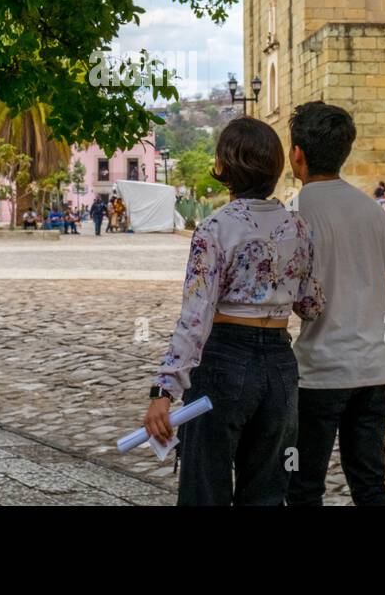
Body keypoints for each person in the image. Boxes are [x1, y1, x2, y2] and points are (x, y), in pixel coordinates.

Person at [143, 117, 323, 506]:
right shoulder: (298, 227)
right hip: (279, 363)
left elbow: (196, 316)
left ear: (223, 167)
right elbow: (310, 305)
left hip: (223, 360)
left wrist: (164, 389)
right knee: (266, 494)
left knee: (204, 490)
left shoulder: (214, 228)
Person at [284, 102, 385, 507]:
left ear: (297, 154)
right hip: (371, 372)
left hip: (317, 376)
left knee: (304, 487)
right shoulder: (373, 213)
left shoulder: (294, 212)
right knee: (370, 486)